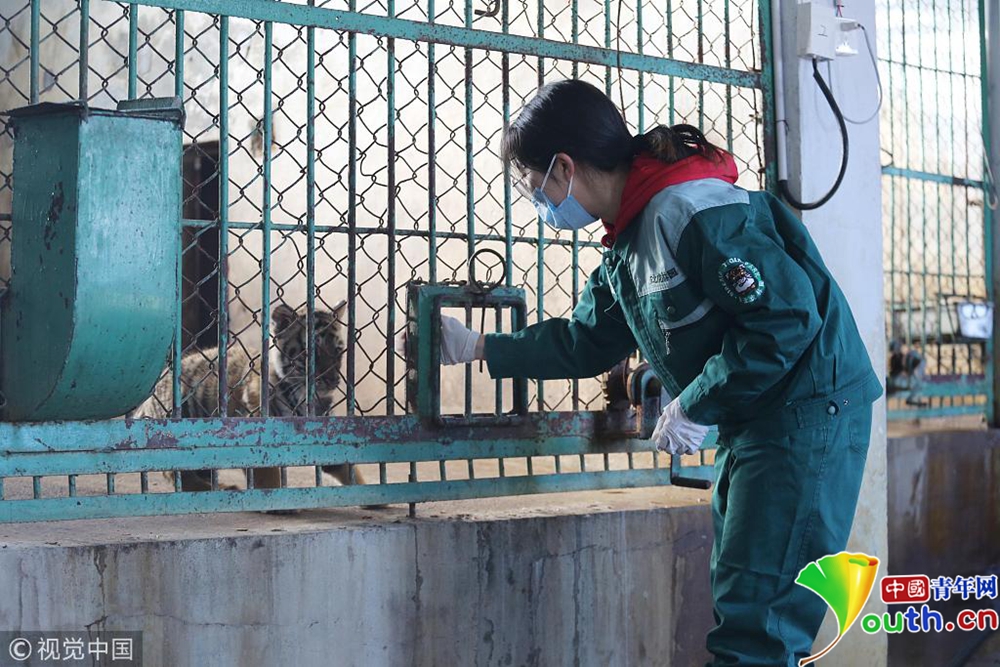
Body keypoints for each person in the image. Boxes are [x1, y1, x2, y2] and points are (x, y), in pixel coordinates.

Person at [437, 79, 882, 666]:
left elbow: (787, 320)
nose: (536, 201)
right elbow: (585, 342)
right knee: (744, 607)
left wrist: (697, 401)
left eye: (531, 184)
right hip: (761, 420)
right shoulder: (631, 239)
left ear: (564, 167)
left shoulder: (690, 210)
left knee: (758, 630)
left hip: (805, 413)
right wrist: (480, 348)